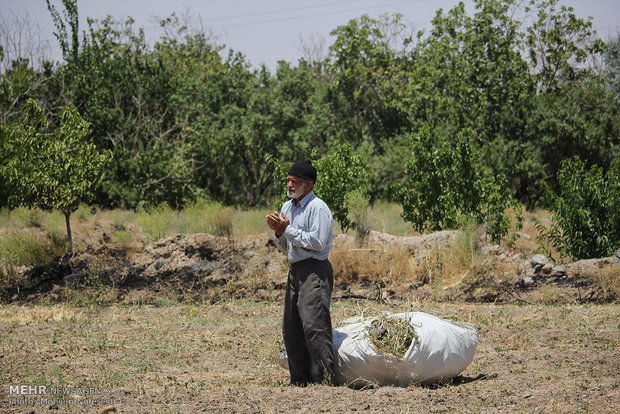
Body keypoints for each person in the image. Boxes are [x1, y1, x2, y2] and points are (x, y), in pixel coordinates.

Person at [265, 159, 336, 386]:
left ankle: (324, 379)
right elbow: (286, 246)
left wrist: (287, 230)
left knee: (314, 324)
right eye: (288, 180)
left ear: (309, 185)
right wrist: (278, 234)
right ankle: (299, 379)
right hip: (295, 270)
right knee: (291, 326)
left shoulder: (318, 208)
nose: (289, 184)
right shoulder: (287, 207)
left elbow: (316, 242)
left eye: (294, 181)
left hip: (315, 270)